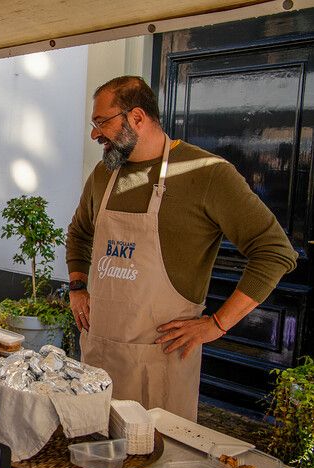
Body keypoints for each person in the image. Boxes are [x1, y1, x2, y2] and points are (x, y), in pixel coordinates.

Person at [66, 76, 297, 421]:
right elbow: (79, 233)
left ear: (137, 118)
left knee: (157, 463)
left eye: (102, 122)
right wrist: (77, 286)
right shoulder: (104, 174)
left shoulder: (208, 174)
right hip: (100, 356)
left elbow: (275, 252)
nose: (95, 134)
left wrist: (218, 324)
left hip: (161, 364)